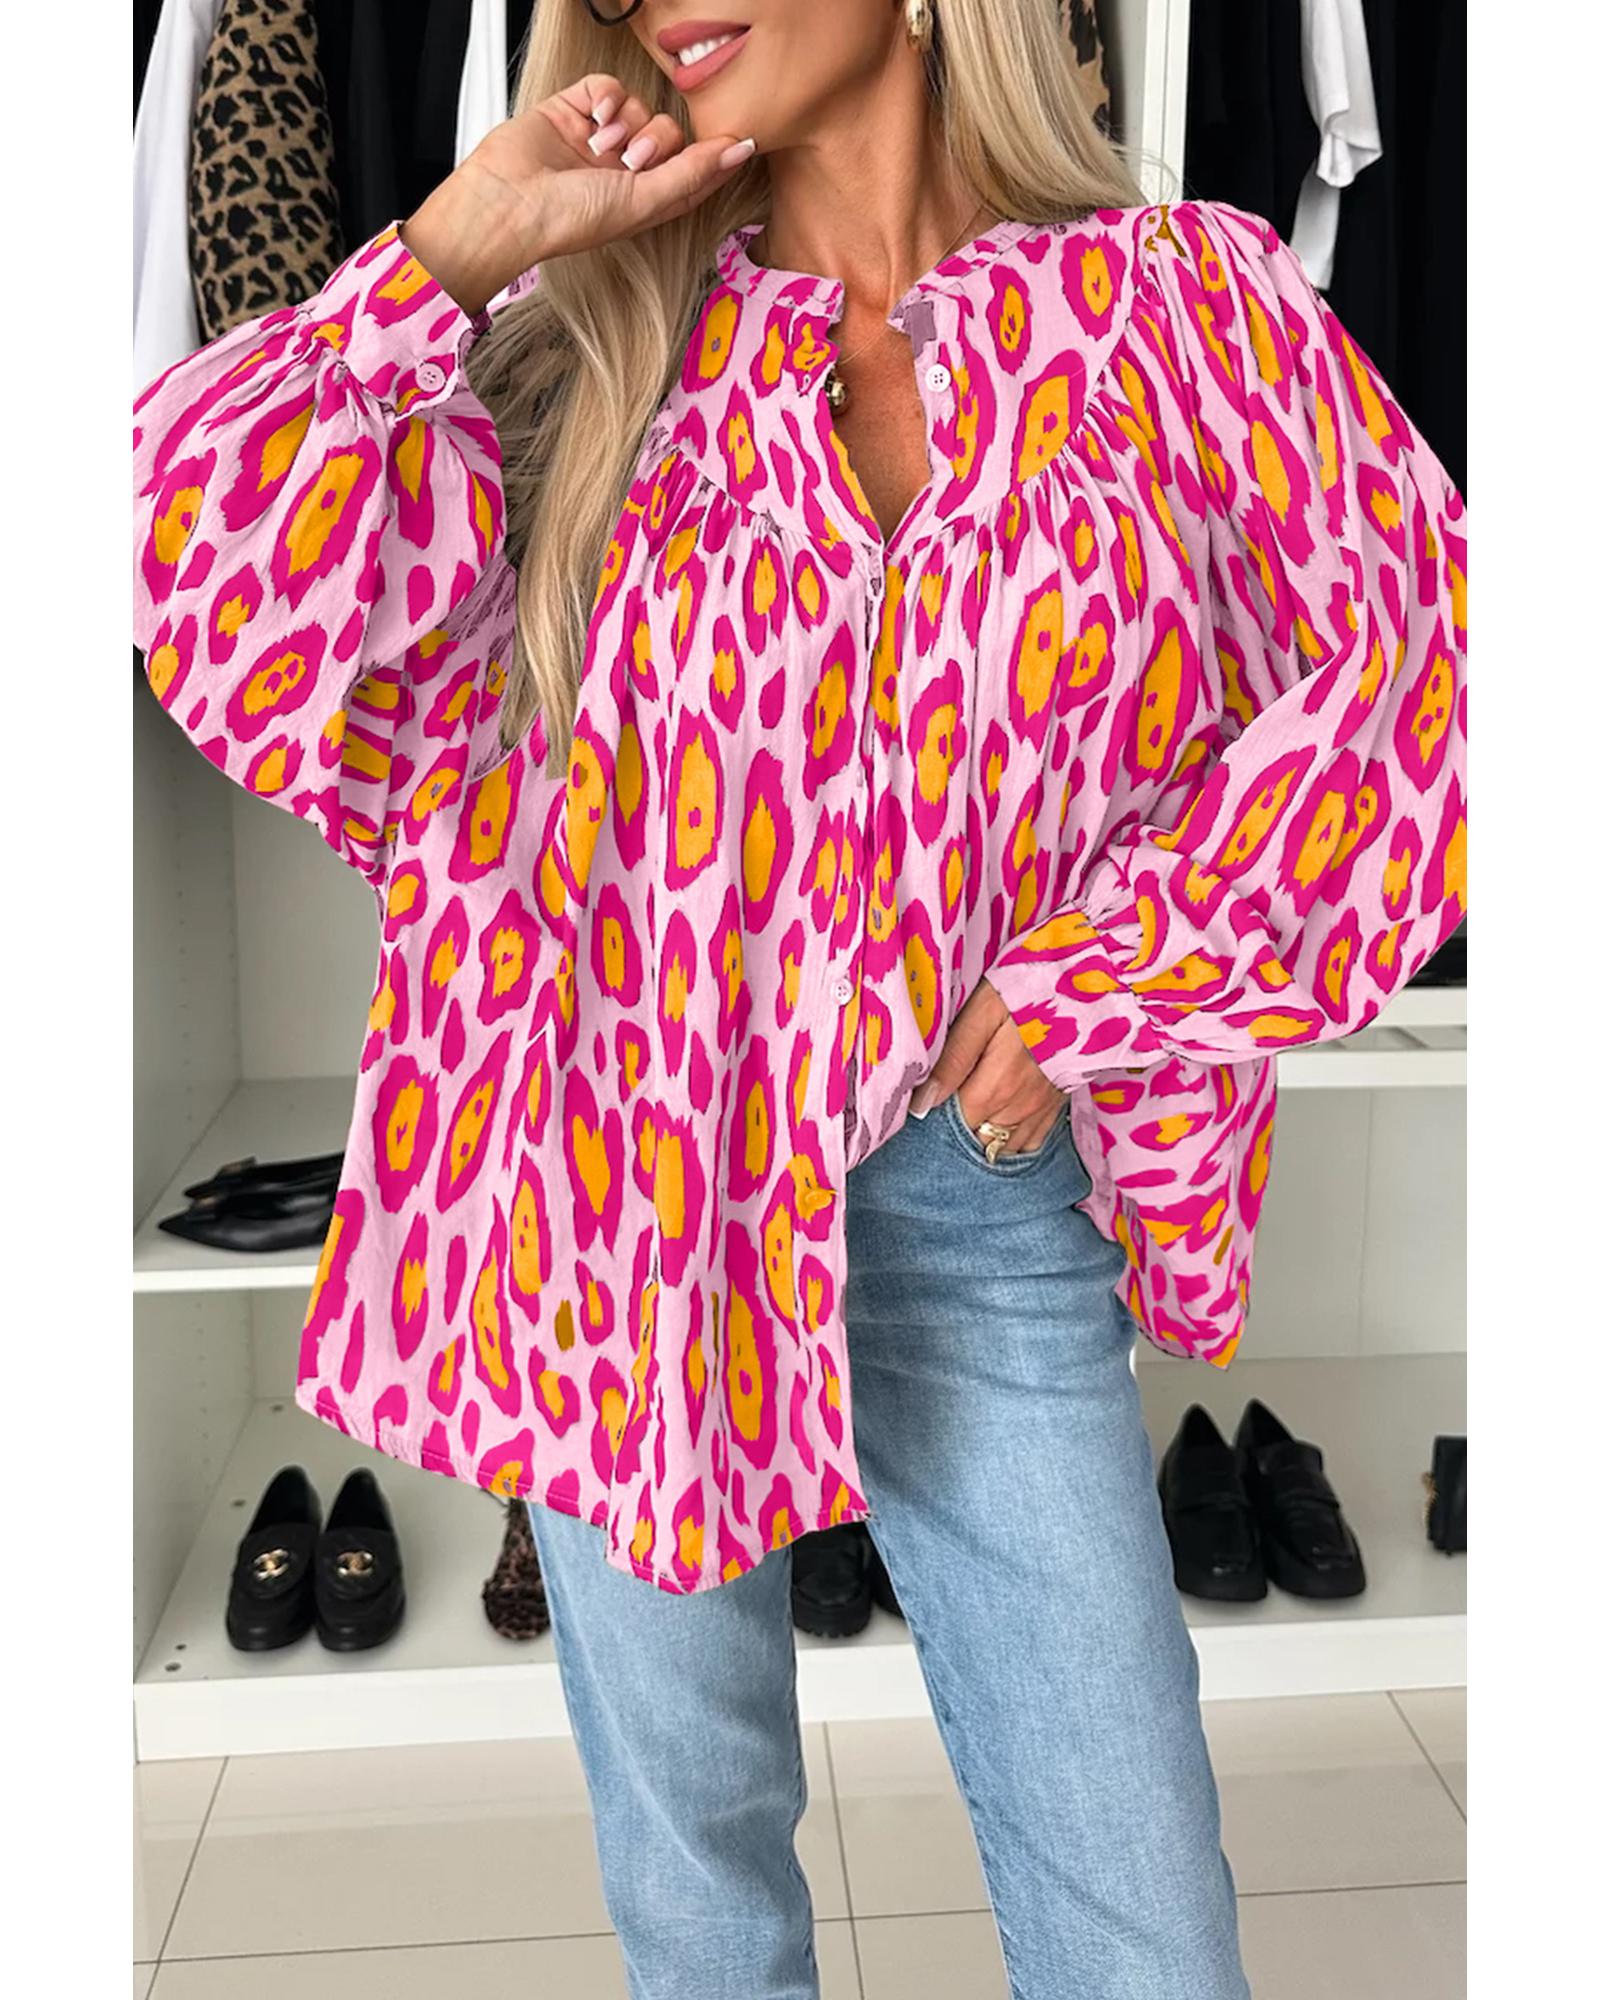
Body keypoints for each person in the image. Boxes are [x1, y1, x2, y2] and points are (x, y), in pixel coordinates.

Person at [131, 3, 1466, 1995]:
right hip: (621, 1199)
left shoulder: (1181, 313)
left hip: (975, 1212)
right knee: (707, 1921)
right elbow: (209, 579)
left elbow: (1427, 673)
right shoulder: (581, 346)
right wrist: (457, 242)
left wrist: (1099, 982)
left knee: (1146, 1933)